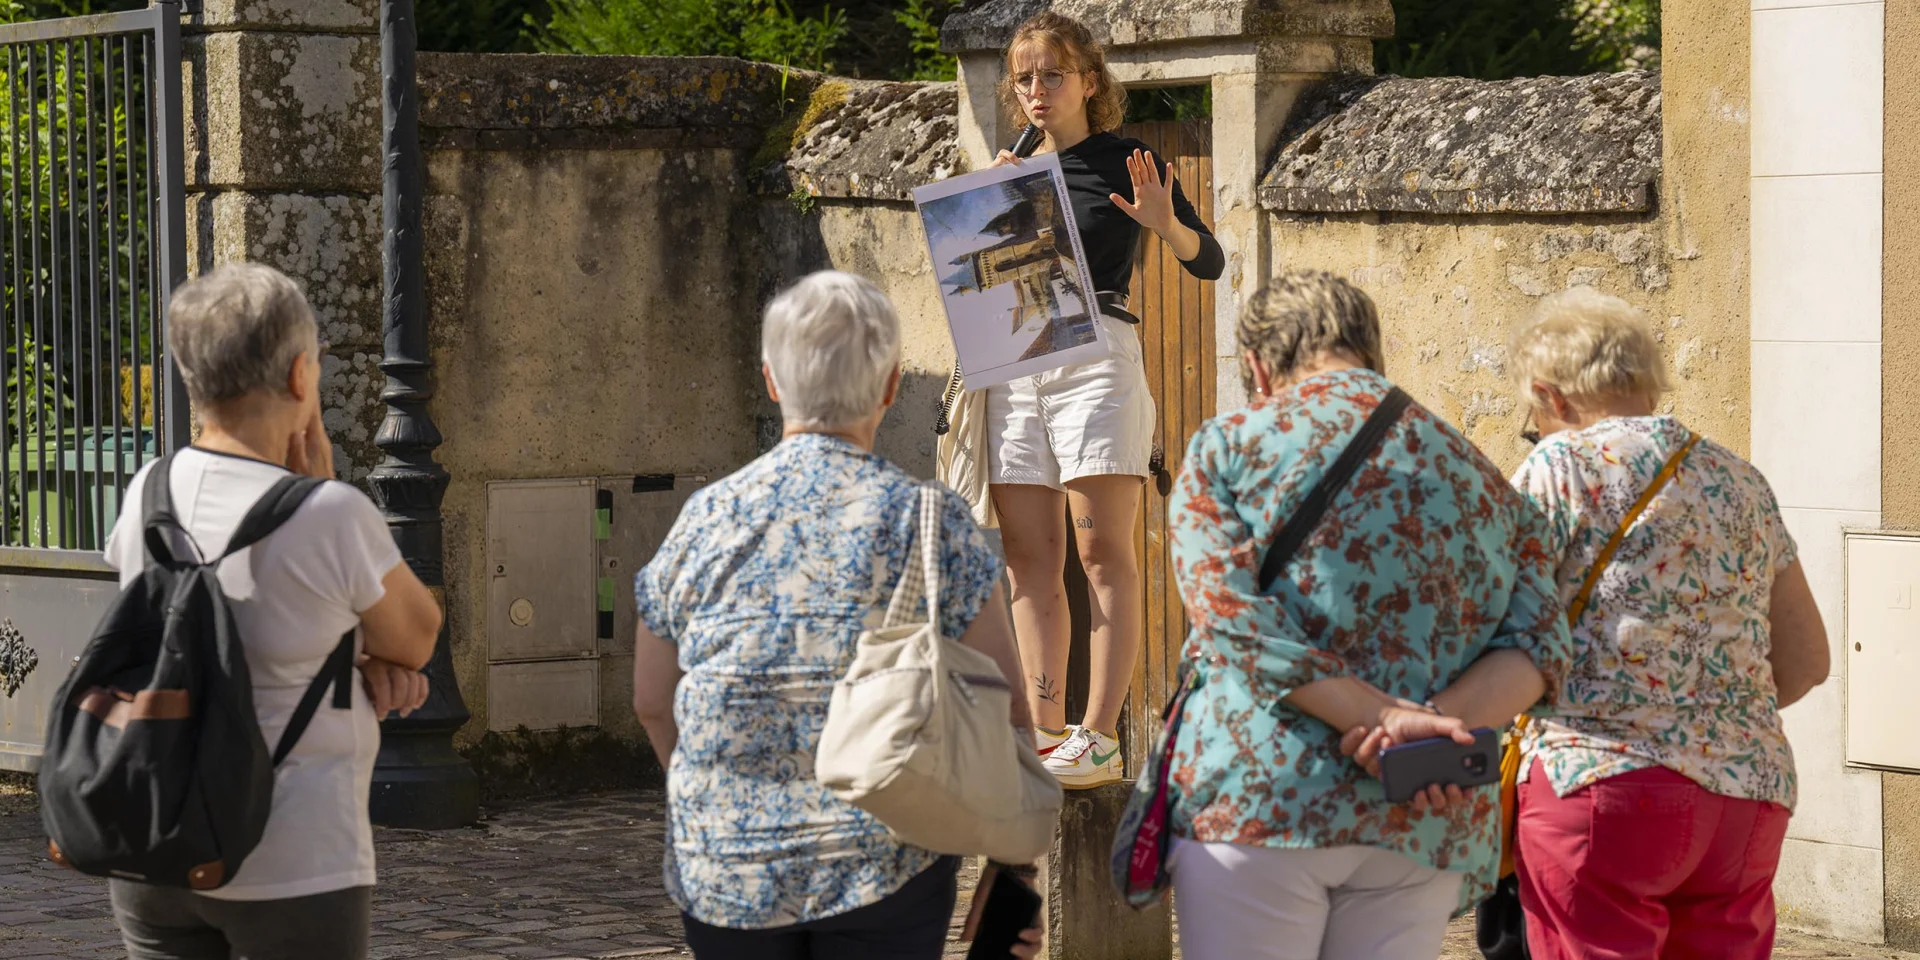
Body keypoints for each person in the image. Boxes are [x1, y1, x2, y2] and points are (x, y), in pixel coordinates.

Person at [1163, 271, 1574, 960]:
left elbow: (1233, 622)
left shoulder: (1229, 446)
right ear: (1372, 348)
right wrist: (1428, 727)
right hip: (1424, 812)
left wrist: (1379, 718)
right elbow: (1541, 645)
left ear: (1259, 367)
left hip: (1266, 795)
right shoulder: (1480, 474)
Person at [630, 271, 1042, 959]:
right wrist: (1011, 872)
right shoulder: (931, 524)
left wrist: (709, 802)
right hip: (884, 862)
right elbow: (1006, 710)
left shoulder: (706, 519)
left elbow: (651, 699)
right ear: (890, 386)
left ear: (770, 380)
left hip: (727, 866)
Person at [99, 263, 442, 960]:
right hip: (295, 857)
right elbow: (417, 637)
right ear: (298, 378)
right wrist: (368, 661)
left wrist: (345, 656)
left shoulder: (146, 493)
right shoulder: (331, 515)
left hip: (157, 840)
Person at [1503, 287, 1829, 959]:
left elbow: (1487, 626)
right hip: (1748, 794)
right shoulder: (1740, 481)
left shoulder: (1558, 466)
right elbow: (1806, 661)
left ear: (1552, 396)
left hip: (1602, 789)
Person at [985, 11, 1225, 788]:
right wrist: (990, 211)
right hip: (1018, 360)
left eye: (1051, 74)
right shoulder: (1006, 170)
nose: (1035, 91)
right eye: (1023, 78)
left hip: (1096, 360)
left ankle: (1099, 735)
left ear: (1090, 81)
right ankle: (1043, 729)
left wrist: (1168, 227)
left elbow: (1210, 260)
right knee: (1028, 557)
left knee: (1100, 553)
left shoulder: (1129, 159)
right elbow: (987, 291)